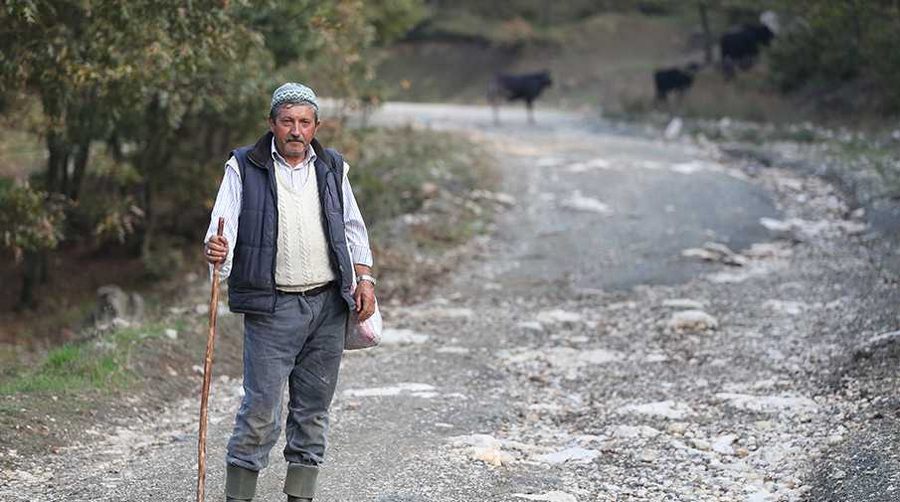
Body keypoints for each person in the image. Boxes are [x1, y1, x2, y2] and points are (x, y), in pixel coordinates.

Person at [203, 82, 377, 502]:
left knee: (313, 409)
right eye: (287, 122)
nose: (296, 131)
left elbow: (352, 226)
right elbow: (220, 228)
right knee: (261, 410)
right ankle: (238, 495)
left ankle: (301, 496)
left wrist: (365, 278)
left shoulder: (333, 166)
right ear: (272, 124)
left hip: (328, 306)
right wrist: (217, 251)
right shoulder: (244, 166)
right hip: (272, 306)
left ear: (316, 126)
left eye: (304, 122)